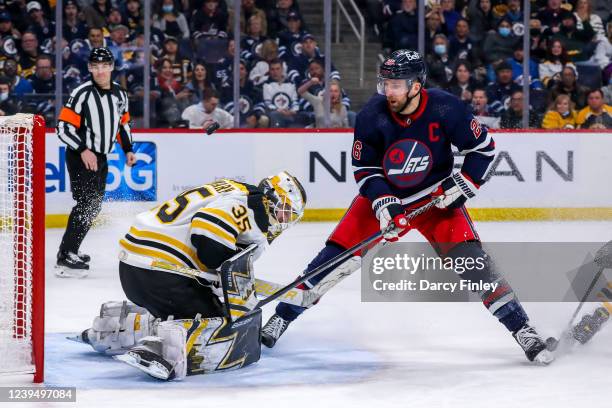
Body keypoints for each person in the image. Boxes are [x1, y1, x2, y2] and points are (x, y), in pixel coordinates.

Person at [260, 49, 554, 365]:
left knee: (475, 267)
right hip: (385, 198)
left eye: (397, 84)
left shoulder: (446, 108)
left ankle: (523, 329)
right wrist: (385, 204)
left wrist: (464, 184)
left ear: (416, 85)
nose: (389, 91)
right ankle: (283, 316)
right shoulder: (373, 113)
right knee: (330, 262)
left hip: (435, 200)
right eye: (386, 83)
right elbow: (365, 169)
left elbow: (483, 150)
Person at [75, 172, 307, 380]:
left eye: (290, 215)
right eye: (285, 210)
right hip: (163, 273)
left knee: (197, 306)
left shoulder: (234, 188)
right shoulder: (251, 205)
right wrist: (222, 277)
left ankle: (114, 329)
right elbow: (206, 234)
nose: (284, 219)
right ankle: (156, 349)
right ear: (270, 196)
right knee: (219, 324)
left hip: (136, 268)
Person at [55, 47, 136, 277]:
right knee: (85, 204)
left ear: (111, 67)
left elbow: (123, 124)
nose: (100, 71)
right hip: (81, 156)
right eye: (95, 66)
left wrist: (128, 149)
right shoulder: (82, 93)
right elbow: (62, 127)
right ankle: (65, 256)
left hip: (100, 157)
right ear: (89, 68)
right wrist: (83, 149)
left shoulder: (120, 94)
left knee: (93, 206)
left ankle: (71, 249)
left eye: (104, 65)